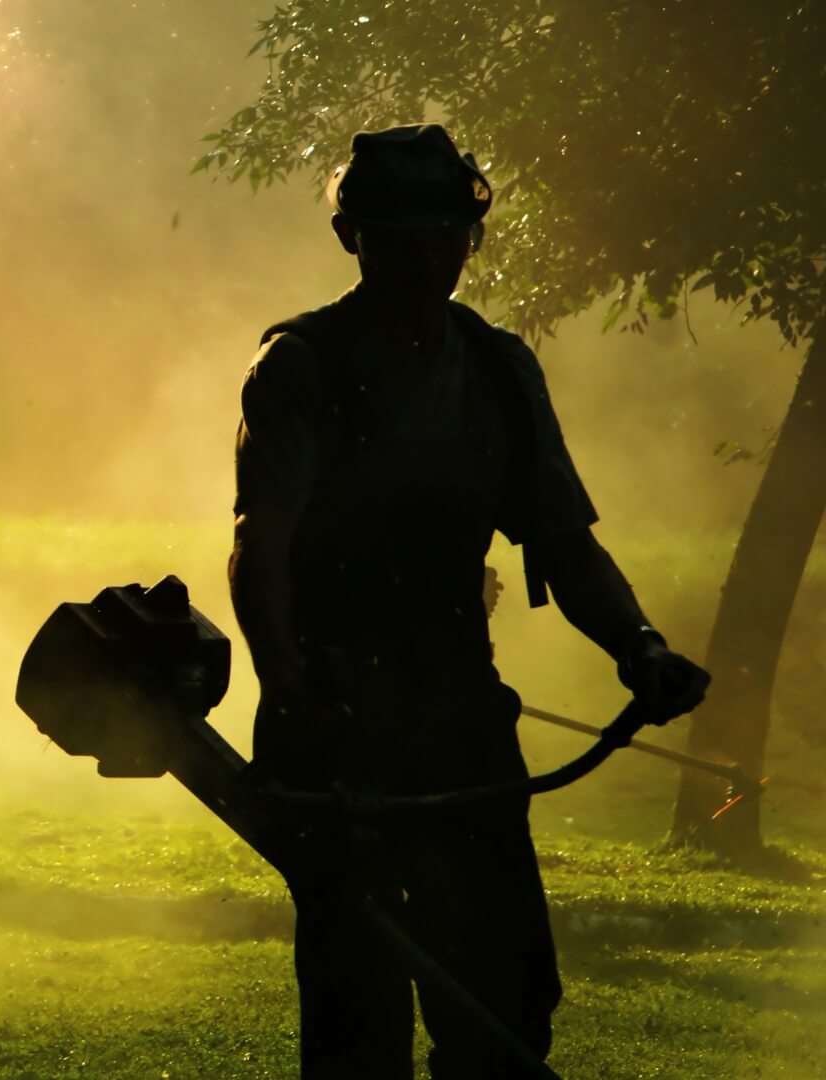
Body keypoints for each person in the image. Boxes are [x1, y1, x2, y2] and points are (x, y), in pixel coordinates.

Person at [227, 123, 709, 1077]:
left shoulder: (499, 371)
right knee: (359, 1008)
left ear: (471, 235)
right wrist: (290, 691)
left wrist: (640, 644)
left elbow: (565, 546)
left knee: (505, 996)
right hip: (339, 724)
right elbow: (261, 549)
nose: (429, 255)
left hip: (459, 721)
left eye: (448, 232)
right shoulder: (301, 370)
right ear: (351, 237)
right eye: (401, 234)